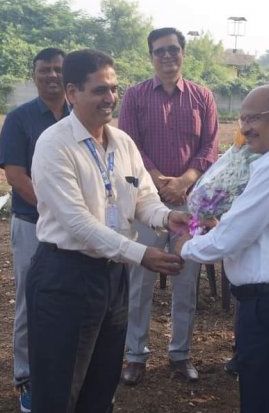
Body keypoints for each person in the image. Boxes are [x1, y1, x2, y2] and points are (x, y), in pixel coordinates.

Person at [26, 49, 190, 413]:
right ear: (72, 93)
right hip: (65, 277)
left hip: (112, 277)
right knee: (59, 387)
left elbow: (143, 196)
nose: (110, 98)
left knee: (102, 382)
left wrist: (166, 218)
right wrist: (142, 254)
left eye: (114, 89)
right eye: (100, 90)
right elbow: (78, 223)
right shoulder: (54, 145)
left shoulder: (122, 142)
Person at [175, 83, 269, 412]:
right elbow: (252, 227)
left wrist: (186, 247)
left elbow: (231, 237)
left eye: (254, 118)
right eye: (242, 119)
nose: (245, 128)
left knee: (266, 401)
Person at [118, 27, 219, 385]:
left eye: (173, 50)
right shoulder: (134, 96)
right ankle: (134, 355)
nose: (167, 56)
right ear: (150, 56)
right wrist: (161, 180)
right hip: (145, 202)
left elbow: (210, 148)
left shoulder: (202, 97)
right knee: (140, 280)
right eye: (159, 51)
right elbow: (128, 146)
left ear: (183, 54)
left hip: (191, 206)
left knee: (186, 279)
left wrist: (184, 182)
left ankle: (180, 353)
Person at [0, 47, 69, 412]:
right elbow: (15, 174)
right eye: (45, 70)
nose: (52, 76)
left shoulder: (81, 116)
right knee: (30, 301)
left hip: (74, 230)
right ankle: (26, 377)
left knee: (67, 300)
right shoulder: (20, 119)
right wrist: (56, 207)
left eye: (58, 69)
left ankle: (63, 372)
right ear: (34, 75)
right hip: (31, 224)